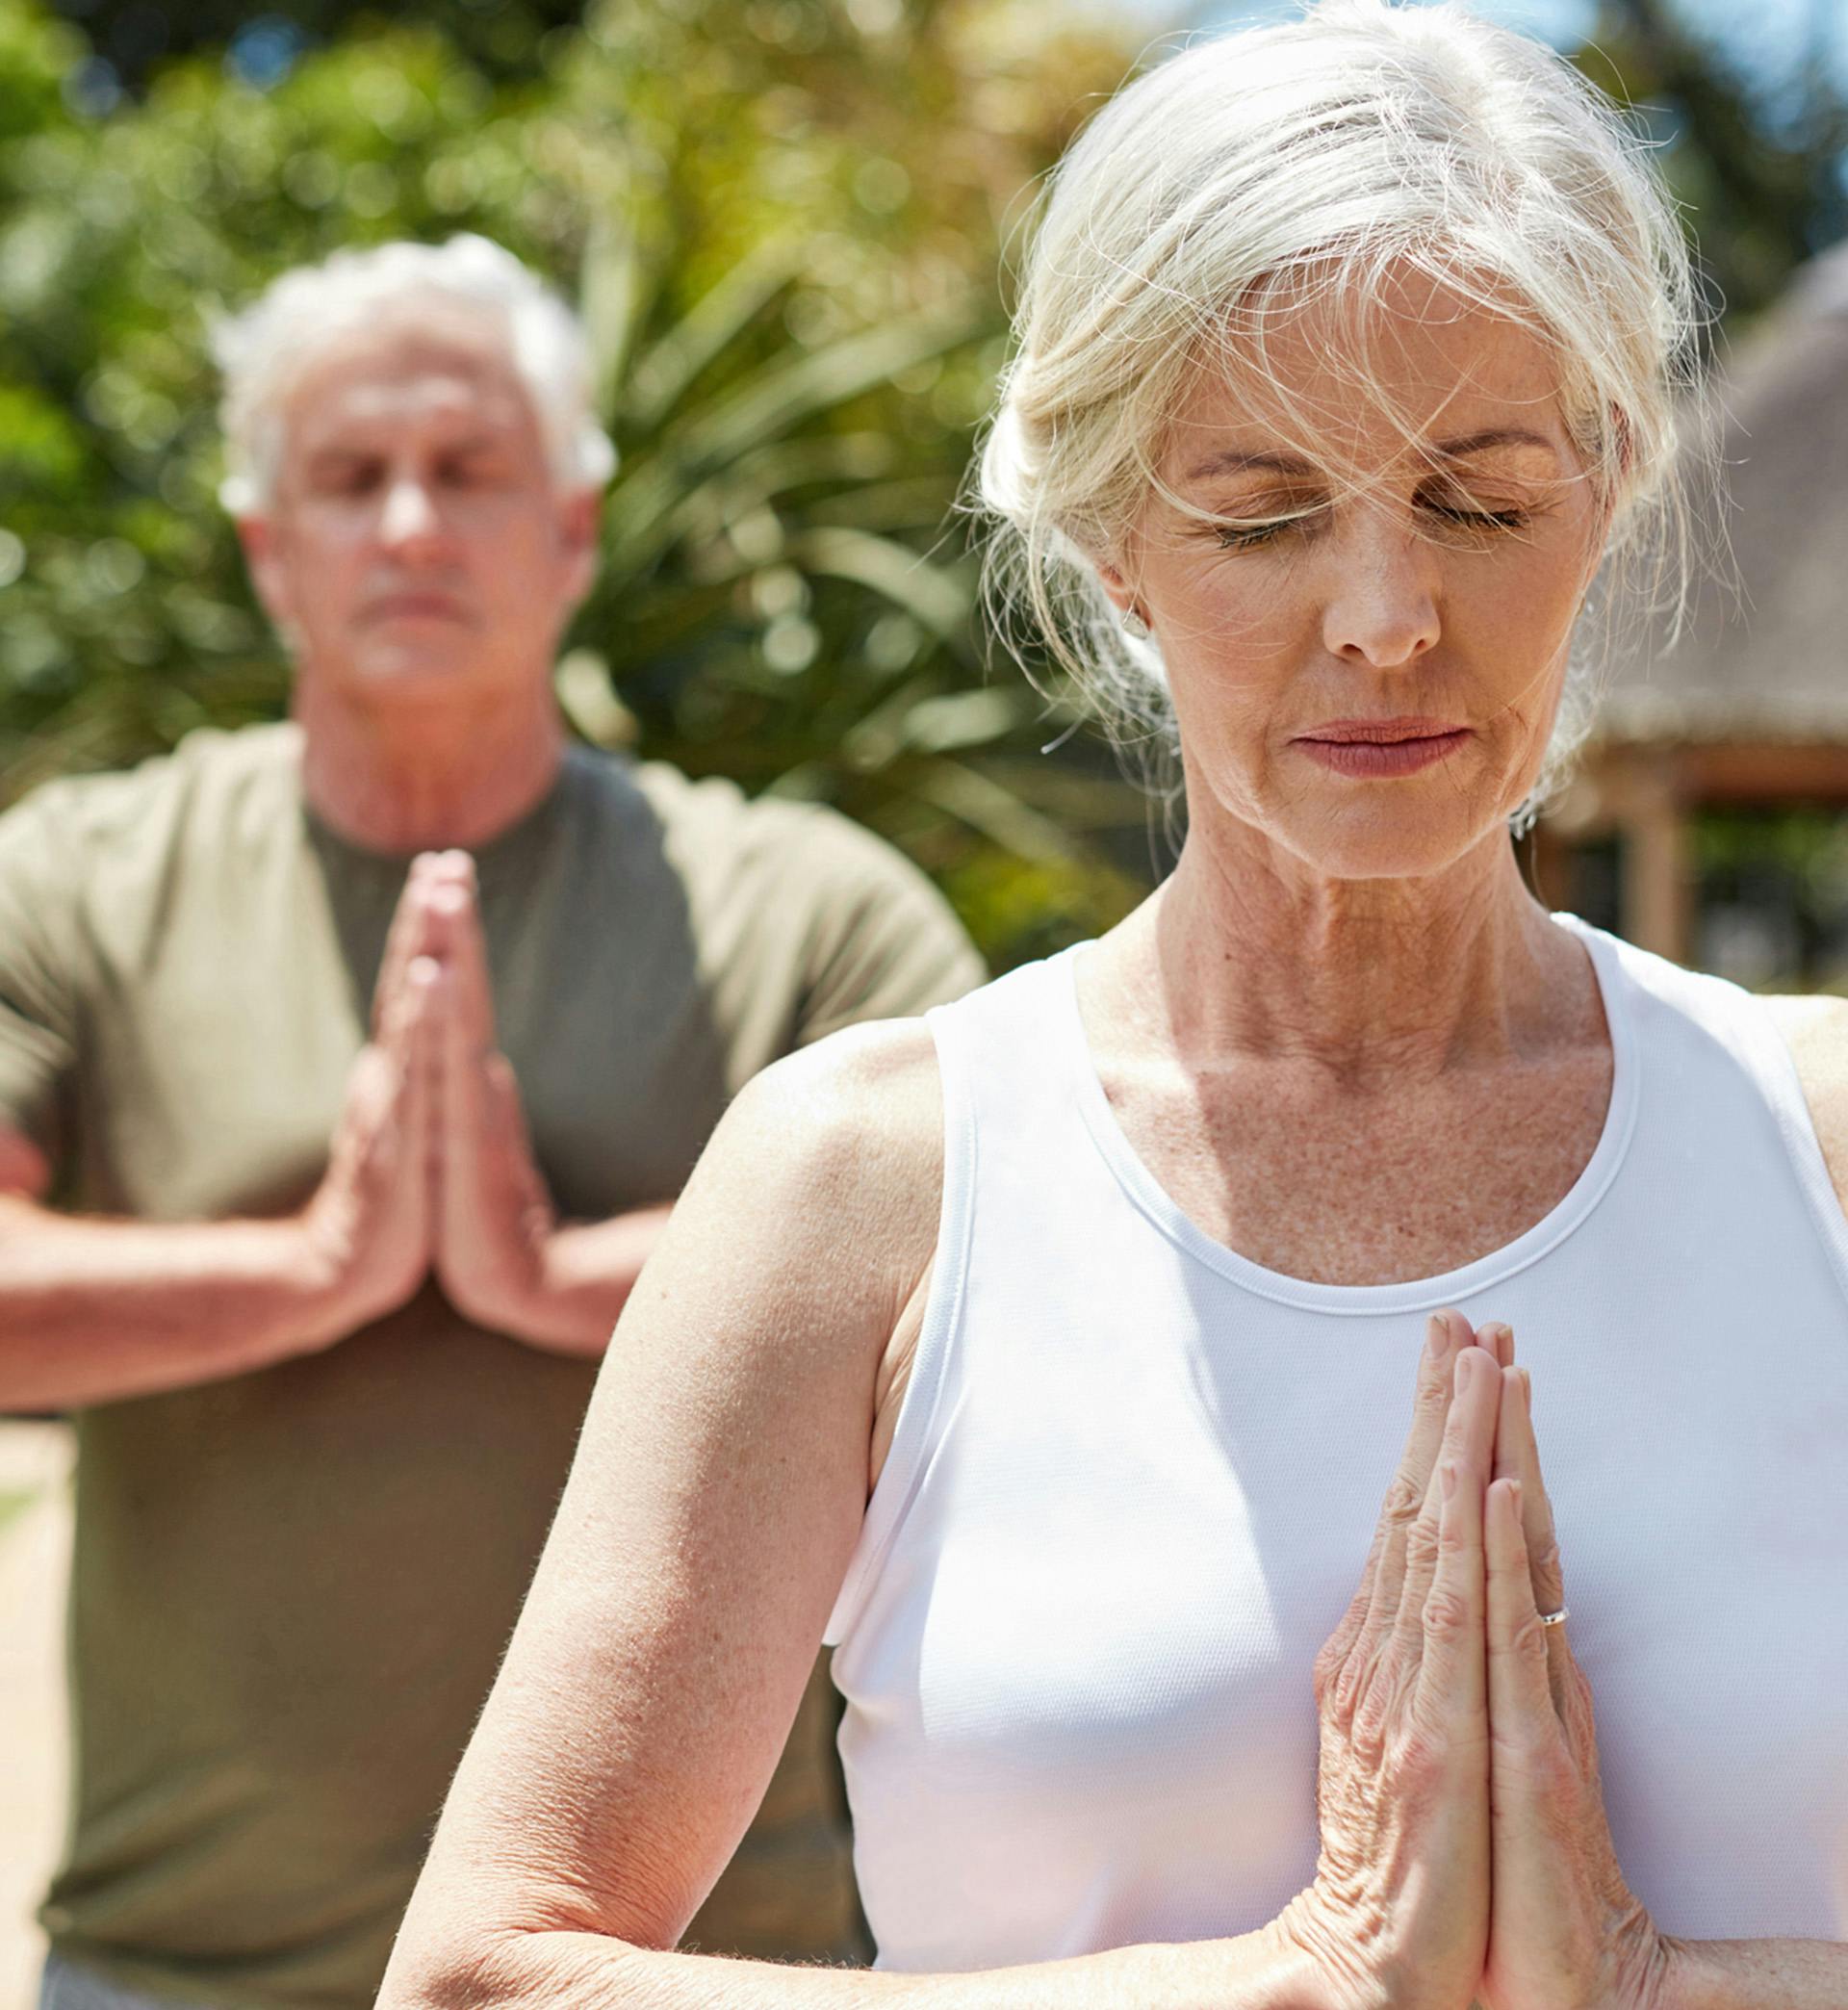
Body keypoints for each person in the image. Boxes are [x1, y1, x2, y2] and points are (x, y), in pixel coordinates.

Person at [379, 4, 1848, 2005]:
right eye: (1261, 508)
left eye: (1480, 497)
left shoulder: (1819, 1142)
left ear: (1606, 479)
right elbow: (484, 1975)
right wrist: (1292, 1987)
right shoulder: (871, 1188)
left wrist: (1650, 1987)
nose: (1385, 615)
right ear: (1109, 531)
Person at [0, 236, 986, 2010]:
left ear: (575, 529)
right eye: (347, 479)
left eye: (466, 472)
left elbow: (998, 1304)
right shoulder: (78, 881)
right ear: (265, 551)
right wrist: (312, 1271)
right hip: (176, 1970)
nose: (407, 527)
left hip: (694, 1973)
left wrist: (561, 1281)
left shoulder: (808, 914)